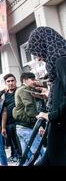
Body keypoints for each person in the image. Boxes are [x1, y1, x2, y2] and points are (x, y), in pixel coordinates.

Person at [26, 26, 66, 165]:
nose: (38, 58)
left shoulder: (61, 61)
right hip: (58, 129)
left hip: (61, 129)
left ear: (45, 44)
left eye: (37, 52)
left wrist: (49, 115)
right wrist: (49, 95)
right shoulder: (58, 61)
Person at [12, 72, 45, 164]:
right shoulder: (24, 89)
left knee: (27, 158)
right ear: (25, 80)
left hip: (21, 127)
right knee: (39, 155)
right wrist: (38, 119)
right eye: (32, 79)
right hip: (27, 127)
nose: (34, 81)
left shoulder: (25, 89)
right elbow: (30, 107)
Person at [0, 73, 21, 162]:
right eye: (8, 81)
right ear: (5, 83)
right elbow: (4, 112)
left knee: (21, 144)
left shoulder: (20, 91)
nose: (10, 83)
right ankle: (16, 157)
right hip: (9, 124)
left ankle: (22, 158)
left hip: (20, 123)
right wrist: (3, 127)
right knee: (13, 144)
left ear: (16, 81)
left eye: (12, 81)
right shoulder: (4, 96)